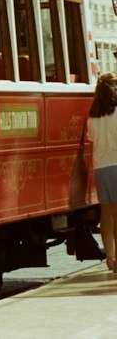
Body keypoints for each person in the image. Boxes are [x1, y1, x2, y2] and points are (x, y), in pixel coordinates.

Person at [87, 71, 117, 273]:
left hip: (101, 168)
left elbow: (91, 140)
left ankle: (110, 257)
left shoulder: (93, 116)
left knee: (106, 214)